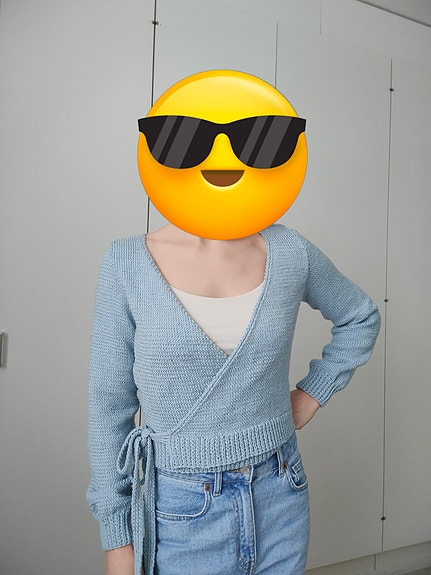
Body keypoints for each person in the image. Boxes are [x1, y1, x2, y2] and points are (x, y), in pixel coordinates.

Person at [86, 71, 381, 575]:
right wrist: (117, 540)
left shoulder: (290, 251)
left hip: (281, 491)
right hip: (177, 509)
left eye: (256, 140)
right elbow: (107, 407)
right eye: (188, 138)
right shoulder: (127, 263)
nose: (222, 156)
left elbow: (360, 317)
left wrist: (311, 395)